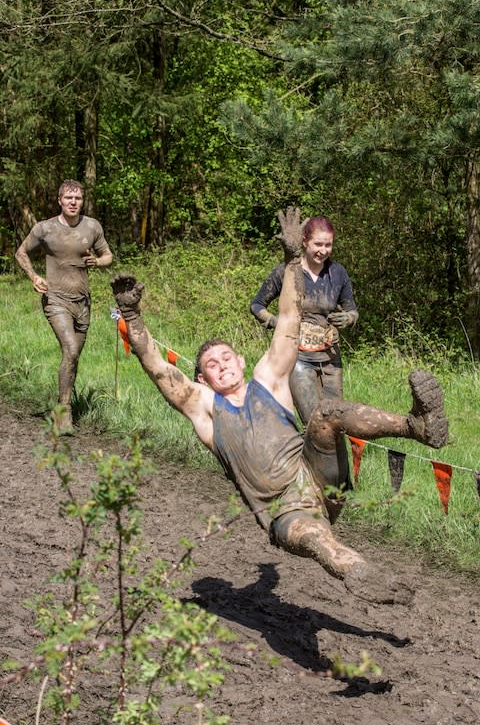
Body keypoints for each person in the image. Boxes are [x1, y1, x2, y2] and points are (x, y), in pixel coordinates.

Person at [111, 207, 448, 605]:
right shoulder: (204, 408)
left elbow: (289, 318)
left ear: (240, 361)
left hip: (319, 476)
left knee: (326, 413)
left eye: (225, 358)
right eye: (211, 366)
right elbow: (156, 367)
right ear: (202, 379)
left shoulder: (268, 380)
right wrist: (132, 316)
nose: (221, 367)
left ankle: (418, 427)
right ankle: (362, 572)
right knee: (317, 537)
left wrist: (292, 261)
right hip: (284, 512)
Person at [250, 215, 357, 494]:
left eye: (329, 245)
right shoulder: (287, 271)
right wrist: (279, 324)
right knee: (315, 421)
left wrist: (349, 318)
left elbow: (352, 309)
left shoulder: (338, 273)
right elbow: (257, 305)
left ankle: (343, 486)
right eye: (318, 244)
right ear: (305, 243)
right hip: (298, 356)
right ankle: (316, 483)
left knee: (337, 420)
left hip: (331, 357)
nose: (323, 251)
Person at [15, 179, 113, 433]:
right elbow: (20, 253)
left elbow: (108, 256)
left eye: (77, 198)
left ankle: (62, 402)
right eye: (68, 198)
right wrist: (34, 277)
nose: (73, 202)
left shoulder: (92, 226)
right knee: (70, 349)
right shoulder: (45, 228)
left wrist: (97, 262)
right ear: (59, 200)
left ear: (82, 201)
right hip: (55, 300)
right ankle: (64, 413)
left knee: (73, 356)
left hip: (83, 302)